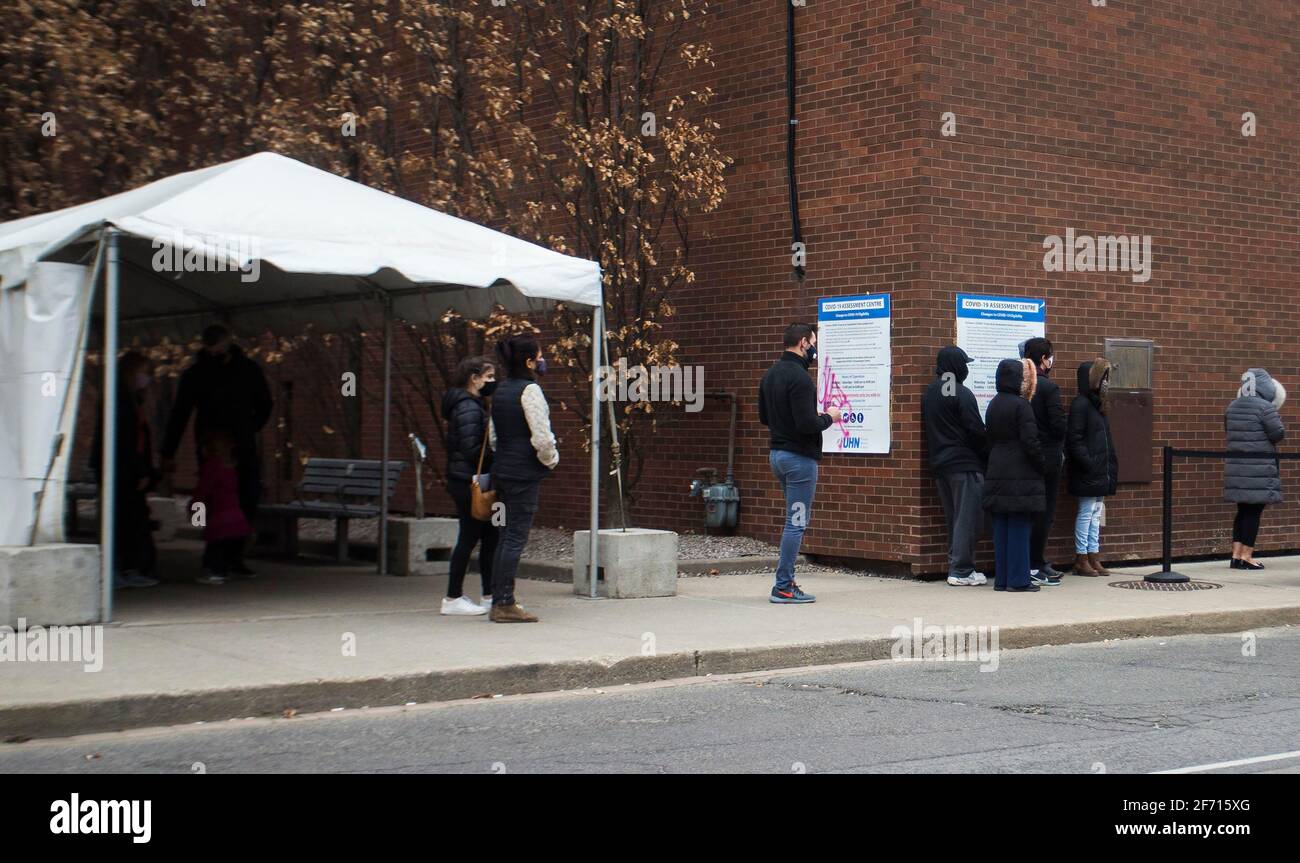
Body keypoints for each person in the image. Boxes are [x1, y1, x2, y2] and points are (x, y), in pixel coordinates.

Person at [160, 324, 272, 575]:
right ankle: (217, 555)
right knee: (218, 498)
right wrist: (169, 450)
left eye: (218, 346)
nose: (215, 351)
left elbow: (265, 404)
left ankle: (234, 554)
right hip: (212, 445)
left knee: (246, 497)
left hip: (240, 442)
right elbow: (180, 412)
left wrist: (249, 427)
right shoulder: (198, 373)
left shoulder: (247, 370)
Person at [757, 322, 840, 604]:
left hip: (777, 456)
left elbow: (765, 418)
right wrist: (830, 416)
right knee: (796, 522)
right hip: (799, 460)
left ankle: (785, 582)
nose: (814, 348)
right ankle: (783, 585)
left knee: (793, 520)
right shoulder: (801, 379)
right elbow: (807, 425)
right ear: (804, 342)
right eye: (813, 342)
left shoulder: (770, 375)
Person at [487, 335, 557, 623]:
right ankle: (504, 603)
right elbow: (541, 437)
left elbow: (492, 437)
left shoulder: (501, 390)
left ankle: (498, 598)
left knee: (504, 536)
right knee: (516, 535)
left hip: (502, 470)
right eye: (539, 357)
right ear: (529, 361)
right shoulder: (530, 391)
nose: (542, 362)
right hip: (523, 474)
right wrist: (551, 460)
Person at [91, 351, 161, 589]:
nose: (147, 378)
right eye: (144, 373)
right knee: (123, 520)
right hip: (121, 469)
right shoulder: (120, 400)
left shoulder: (131, 399)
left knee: (130, 519)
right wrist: (139, 470)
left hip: (126, 468)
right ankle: (120, 567)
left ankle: (128, 566)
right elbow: (124, 439)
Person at [922, 346, 990, 586]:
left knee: (955, 518)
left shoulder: (931, 392)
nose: (967, 368)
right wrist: (987, 456)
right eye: (965, 364)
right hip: (965, 465)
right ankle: (961, 570)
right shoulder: (961, 393)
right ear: (957, 366)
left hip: (941, 464)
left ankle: (957, 566)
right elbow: (976, 431)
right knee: (968, 518)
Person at [440, 355, 499, 615]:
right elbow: (471, 448)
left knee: (489, 535)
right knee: (471, 535)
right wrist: (497, 457)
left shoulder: (470, 405)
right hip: (467, 480)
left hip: (465, 478)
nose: (492, 382)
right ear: (473, 379)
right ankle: (453, 597)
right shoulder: (468, 407)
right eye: (488, 377)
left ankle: (489, 594)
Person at [983, 358, 1046, 592]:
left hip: (997, 467)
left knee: (1001, 527)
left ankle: (1002, 579)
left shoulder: (994, 403)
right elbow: (1030, 441)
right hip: (1020, 471)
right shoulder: (1022, 406)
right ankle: (1019, 580)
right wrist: (1042, 465)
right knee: (1020, 526)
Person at [1224, 367, 1286, 570]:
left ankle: (1235, 556)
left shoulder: (1232, 406)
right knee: (1254, 512)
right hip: (1258, 469)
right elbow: (1277, 434)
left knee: (1242, 511)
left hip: (1237, 467)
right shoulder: (1265, 408)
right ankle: (1247, 556)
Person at [1066, 358, 1119, 576]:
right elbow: (1074, 440)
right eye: (1103, 377)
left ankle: (1093, 555)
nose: (1106, 382)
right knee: (1086, 513)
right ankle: (1081, 557)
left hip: (1099, 470)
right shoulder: (1081, 404)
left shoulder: (1099, 404)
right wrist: (1089, 463)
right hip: (1089, 471)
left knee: (1096, 513)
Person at [1023, 338, 1067, 583]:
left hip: (1027, 454)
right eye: (1050, 355)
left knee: (1030, 511)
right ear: (1044, 359)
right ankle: (1036, 562)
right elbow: (1058, 425)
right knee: (1045, 511)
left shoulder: (1020, 384)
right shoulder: (1048, 388)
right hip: (1049, 454)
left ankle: (1031, 561)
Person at [191, 431, 253, 585]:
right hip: (235, 515)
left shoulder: (212, 466)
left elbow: (203, 490)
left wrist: (195, 507)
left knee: (215, 545)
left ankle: (215, 572)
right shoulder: (231, 466)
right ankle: (223, 570)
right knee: (227, 546)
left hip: (219, 515)